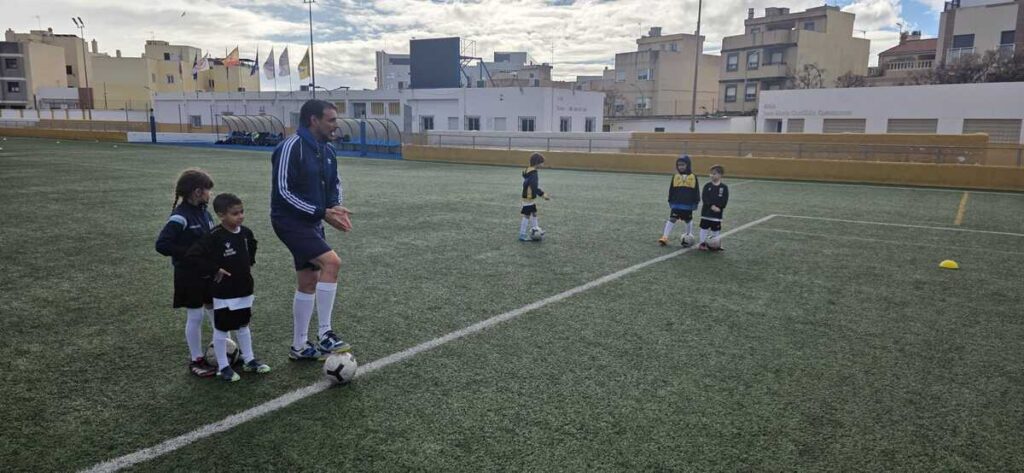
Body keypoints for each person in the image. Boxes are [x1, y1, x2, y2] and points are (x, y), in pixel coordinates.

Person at [271, 100, 353, 360]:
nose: (335, 125)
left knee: (308, 281)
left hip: (312, 221)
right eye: (330, 120)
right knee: (332, 263)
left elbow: (334, 183)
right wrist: (322, 213)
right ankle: (326, 334)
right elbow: (283, 192)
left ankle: (299, 346)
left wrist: (335, 206)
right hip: (289, 221)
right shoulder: (290, 147)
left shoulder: (328, 151)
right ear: (313, 120)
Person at [186, 193, 269, 382]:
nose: (240, 216)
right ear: (221, 215)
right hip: (223, 291)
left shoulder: (246, 233)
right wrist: (215, 269)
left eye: (242, 212)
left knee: (243, 324)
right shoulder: (214, 236)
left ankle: (249, 359)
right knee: (222, 328)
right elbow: (193, 256)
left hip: (244, 288)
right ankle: (223, 367)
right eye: (235, 213)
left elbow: (253, 246)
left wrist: (249, 263)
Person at [155, 168, 217, 377]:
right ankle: (196, 359)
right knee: (195, 315)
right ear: (197, 192)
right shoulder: (180, 217)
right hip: (188, 275)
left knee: (215, 309)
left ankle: (221, 350)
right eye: (208, 191)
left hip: (207, 272)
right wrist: (190, 253)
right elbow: (162, 244)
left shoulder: (204, 213)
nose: (210, 195)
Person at [658, 155, 700, 246]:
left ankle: (688, 235)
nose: (681, 167)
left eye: (683, 165)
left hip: (688, 205)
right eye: (679, 165)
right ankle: (665, 237)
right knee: (672, 219)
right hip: (676, 204)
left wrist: (696, 202)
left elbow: (696, 190)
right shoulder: (675, 176)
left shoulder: (693, 177)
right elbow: (671, 189)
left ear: (688, 165)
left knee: (688, 220)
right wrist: (670, 200)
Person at [519, 153, 551, 241]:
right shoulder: (533, 173)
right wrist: (543, 195)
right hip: (528, 197)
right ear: (537, 163)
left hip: (528, 196)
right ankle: (522, 234)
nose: (543, 165)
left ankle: (536, 229)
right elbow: (534, 187)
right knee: (527, 215)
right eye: (542, 163)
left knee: (534, 213)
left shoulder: (527, 170)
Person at [699, 165, 729, 252]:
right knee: (704, 228)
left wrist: (719, 207)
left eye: (714, 174)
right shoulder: (707, 186)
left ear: (720, 175)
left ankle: (716, 244)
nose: (711, 175)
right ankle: (702, 243)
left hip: (717, 214)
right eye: (711, 173)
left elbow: (724, 199)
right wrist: (711, 206)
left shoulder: (724, 187)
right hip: (706, 213)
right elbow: (705, 198)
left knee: (716, 229)